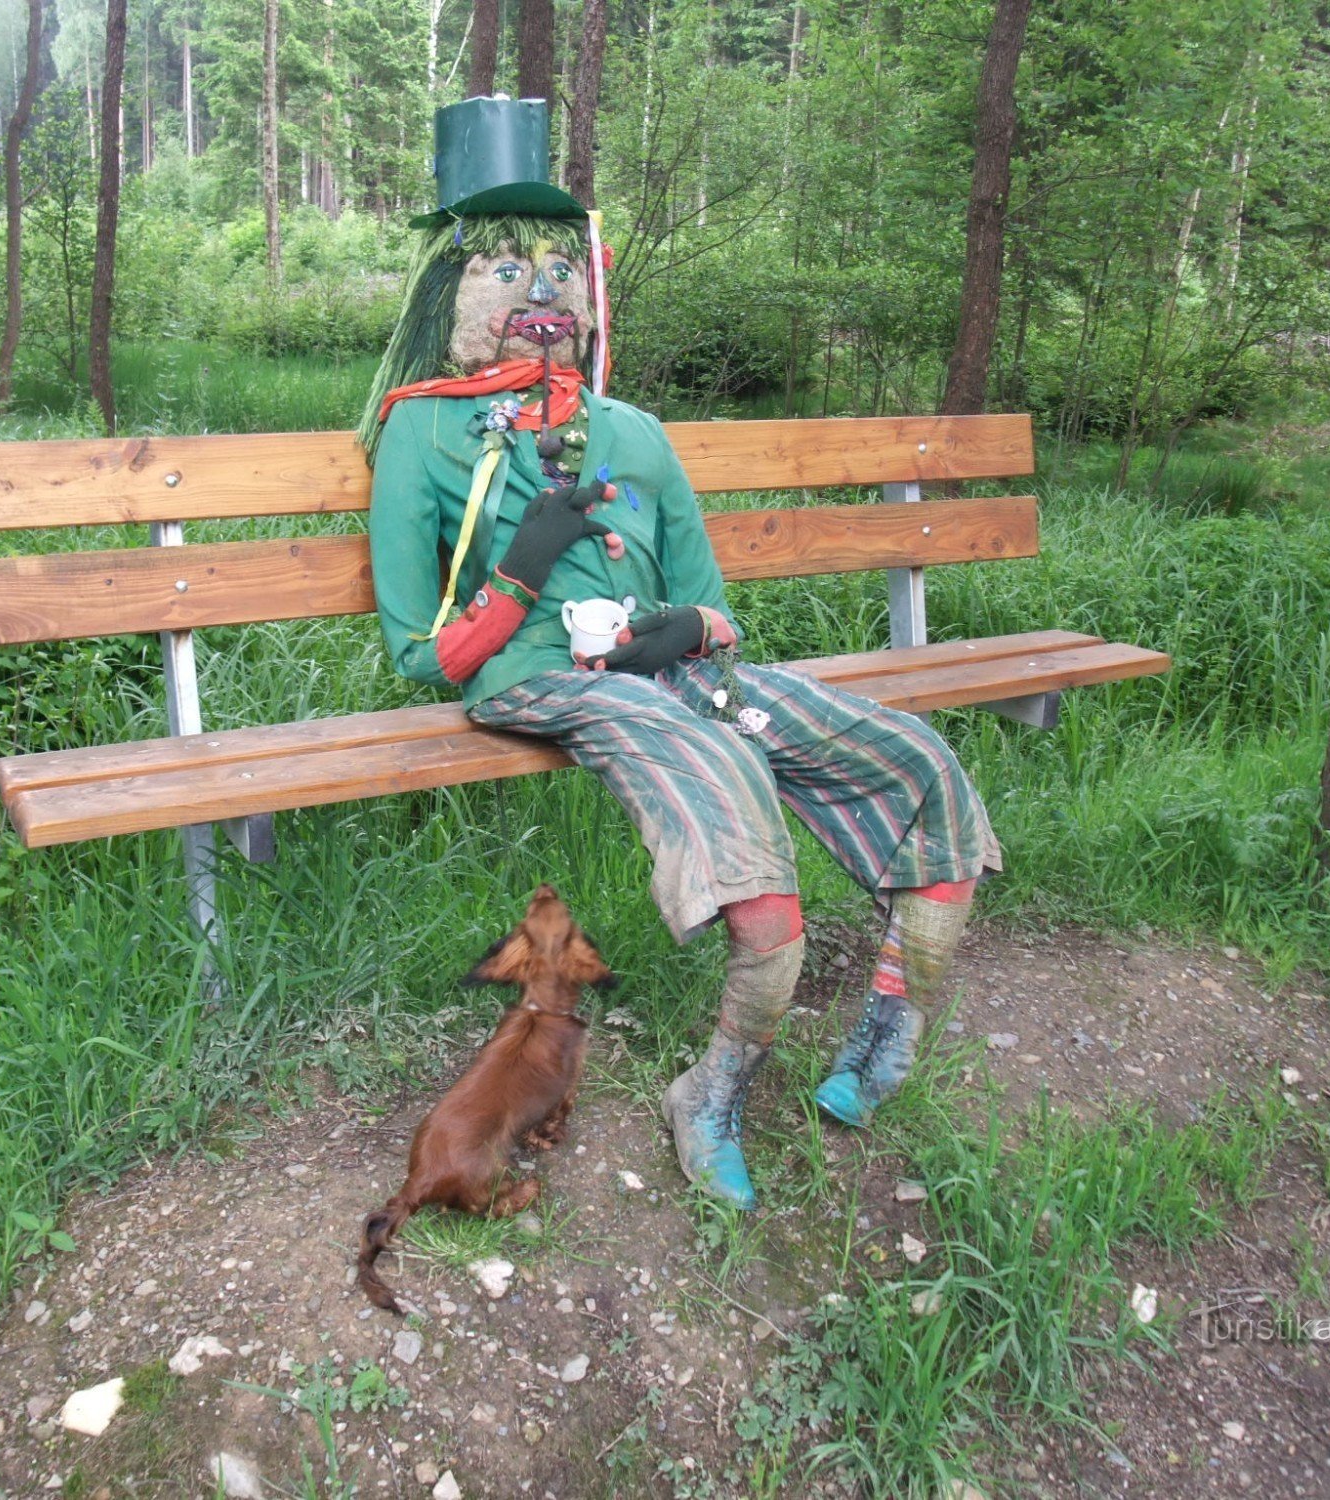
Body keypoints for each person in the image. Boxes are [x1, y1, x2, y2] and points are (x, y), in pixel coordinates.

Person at [362, 98, 999, 1209]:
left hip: (676, 675)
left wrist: (686, 630)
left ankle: (888, 1033)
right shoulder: (421, 430)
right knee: (727, 788)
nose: (540, 293)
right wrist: (520, 572)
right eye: (507, 270)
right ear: (458, 292)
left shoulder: (635, 432)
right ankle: (714, 1093)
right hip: (541, 680)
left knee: (915, 761)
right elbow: (420, 653)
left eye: (558, 270)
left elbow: (712, 610)